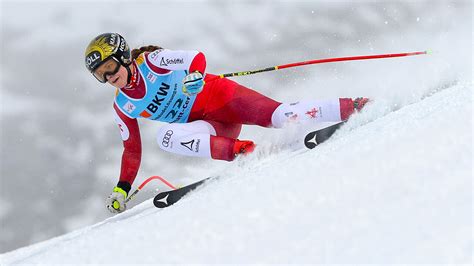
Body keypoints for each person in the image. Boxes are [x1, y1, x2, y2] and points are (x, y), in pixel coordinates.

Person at [84, 33, 369, 213]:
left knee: (280, 116)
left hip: (223, 97)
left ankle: (354, 106)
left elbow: (195, 57)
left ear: (123, 58)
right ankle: (244, 150)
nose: (109, 78)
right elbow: (132, 149)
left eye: (110, 68)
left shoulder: (152, 61)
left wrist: (195, 75)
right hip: (210, 126)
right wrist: (121, 188)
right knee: (165, 137)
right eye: (101, 75)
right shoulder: (123, 106)